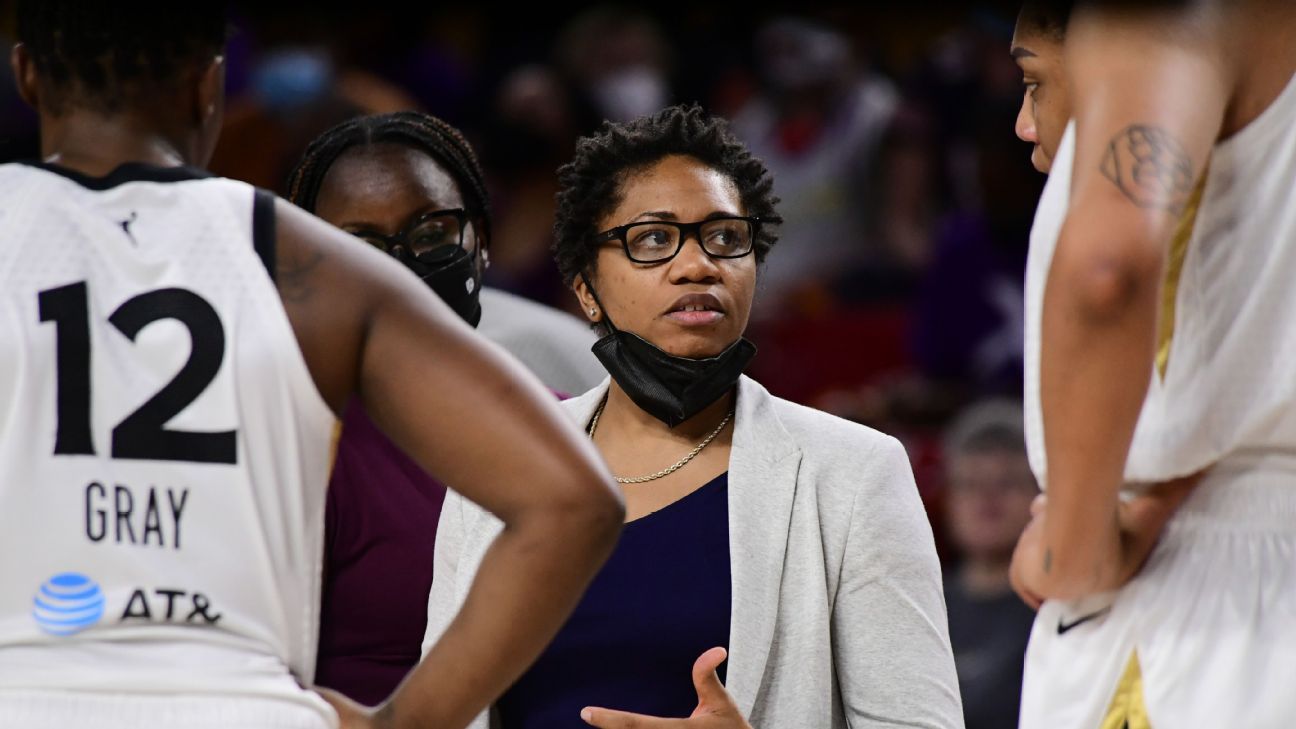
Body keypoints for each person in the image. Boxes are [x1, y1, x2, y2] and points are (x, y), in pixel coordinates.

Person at [0, 3, 623, 728]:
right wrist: (405, 723)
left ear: (27, 77)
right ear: (210, 86)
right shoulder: (316, 264)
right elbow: (574, 500)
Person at [425, 104, 963, 729]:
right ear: (584, 289)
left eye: (726, 238)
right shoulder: (494, 475)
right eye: (653, 238)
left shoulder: (853, 473)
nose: (698, 264)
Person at [1008, 1, 1296, 726]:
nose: (1022, 122)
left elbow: (1108, 271)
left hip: (1209, 592)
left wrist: (1070, 550)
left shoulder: (1170, 14)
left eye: (1034, 81)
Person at [283, 110, 603, 704]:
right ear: (311, 267)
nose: (403, 266)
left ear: (480, 238)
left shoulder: (578, 424)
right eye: (361, 246)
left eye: (431, 231)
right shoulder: (299, 450)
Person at [939, 401, 1037, 729]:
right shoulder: (921, 603)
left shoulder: (1058, 610)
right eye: (970, 484)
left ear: (1039, 497)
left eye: (1007, 483)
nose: (987, 499)